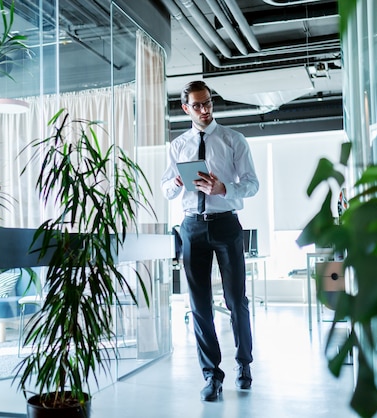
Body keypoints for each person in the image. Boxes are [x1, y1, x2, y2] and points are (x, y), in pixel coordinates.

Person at [161, 80, 259, 401]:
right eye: (198, 106)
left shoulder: (233, 140)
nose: (205, 110)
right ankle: (211, 375)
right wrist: (176, 182)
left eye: (208, 103)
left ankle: (244, 364)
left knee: (236, 300)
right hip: (191, 227)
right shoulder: (178, 146)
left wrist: (224, 189)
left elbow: (252, 184)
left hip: (226, 224)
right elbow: (166, 189)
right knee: (199, 305)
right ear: (186, 108)